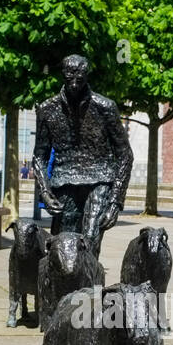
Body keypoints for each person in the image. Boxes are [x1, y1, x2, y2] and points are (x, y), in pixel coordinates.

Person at [32, 54, 133, 251]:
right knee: (62, 246)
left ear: (87, 76)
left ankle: (91, 281)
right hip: (64, 181)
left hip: (100, 180)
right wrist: (44, 191)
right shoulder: (47, 109)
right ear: (63, 75)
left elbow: (125, 154)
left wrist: (115, 202)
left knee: (90, 241)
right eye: (70, 79)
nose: (75, 84)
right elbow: (39, 155)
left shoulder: (105, 107)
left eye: (80, 79)